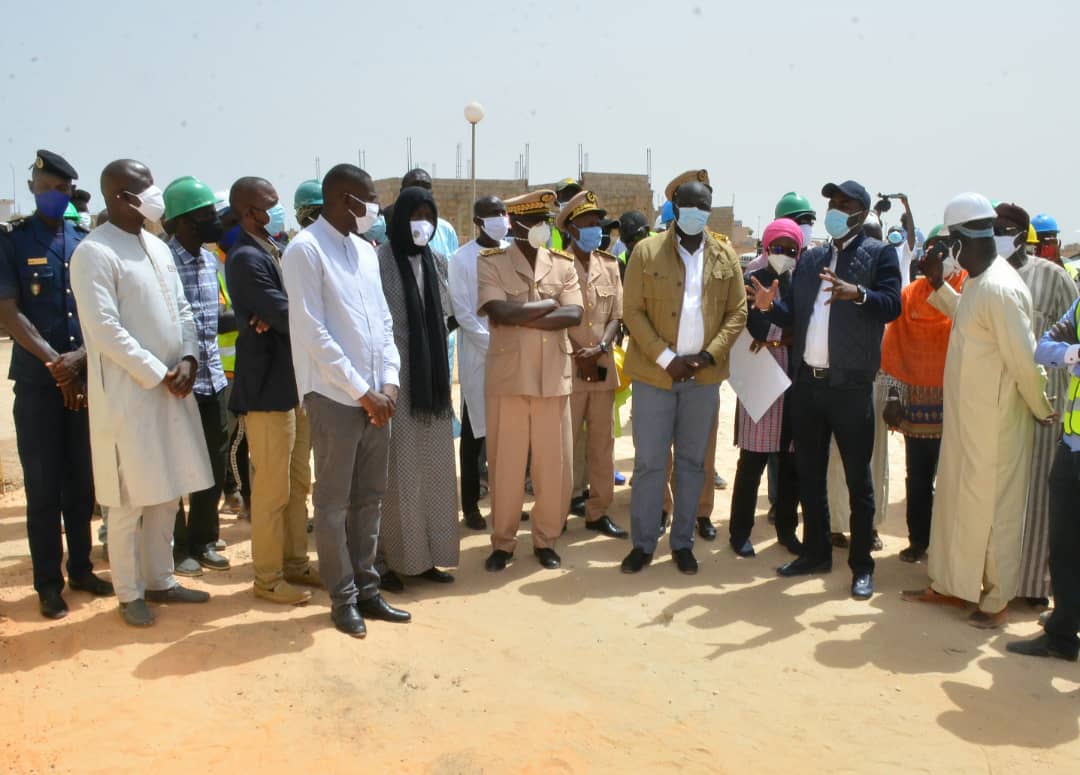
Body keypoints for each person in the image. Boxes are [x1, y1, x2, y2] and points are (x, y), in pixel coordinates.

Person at [70, 159, 213, 627]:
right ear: (119, 197)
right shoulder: (95, 253)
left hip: (173, 387)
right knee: (129, 498)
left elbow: (184, 312)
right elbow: (105, 330)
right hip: (130, 395)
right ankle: (130, 592)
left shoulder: (157, 246)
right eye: (143, 187)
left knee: (167, 492)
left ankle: (161, 579)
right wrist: (158, 373)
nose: (154, 194)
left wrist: (188, 360)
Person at [901, 193, 1055, 629]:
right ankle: (951, 586)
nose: (947, 253)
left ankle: (996, 602)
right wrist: (936, 285)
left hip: (998, 425)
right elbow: (971, 321)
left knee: (995, 513)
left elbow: (1025, 359)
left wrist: (1041, 406)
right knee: (956, 504)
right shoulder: (978, 282)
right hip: (967, 422)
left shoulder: (1002, 288)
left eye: (950, 244)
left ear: (964, 240)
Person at [749, 179, 901, 600]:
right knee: (810, 474)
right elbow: (795, 316)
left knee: (858, 479)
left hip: (850, 388)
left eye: (844, 203)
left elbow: (893, 304)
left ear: (861, 211)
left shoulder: (879, 254)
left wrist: (859, 294)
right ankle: (816, 552)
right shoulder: (813, 257)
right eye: (831, 202)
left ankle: (861, 566)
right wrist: (768, 307)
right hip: (808, 387)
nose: (834, 208)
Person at [282, 163, 410, 638]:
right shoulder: (305, 250)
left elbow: (381, 323)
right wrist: (362, 391)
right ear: (343, 200)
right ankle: (343, 599)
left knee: (370, 499)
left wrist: (390, 384)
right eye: (368, 199)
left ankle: (369, 589)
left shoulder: (365, 250)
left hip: (379, 398)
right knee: (334, 504)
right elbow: (313, 331)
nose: (374, 208)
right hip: (336, 396)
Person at [0, 149, 113, 619]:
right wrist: (56, 364)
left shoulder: (85, 242)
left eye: (62, 189)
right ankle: (48, 581)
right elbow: (8, 312)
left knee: (81, 485)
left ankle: (82, 568)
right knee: (44, 488)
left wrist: (79, 360)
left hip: (84, 380)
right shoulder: (10, 242)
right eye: (46, 188)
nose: (54, 195)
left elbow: (102, 313)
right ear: (33, 189)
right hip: (38, 383)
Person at [621, 169, 746, 575]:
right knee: (650, 463)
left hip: (702, 379)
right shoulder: (646, 252)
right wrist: (664, 357)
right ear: (676, 208)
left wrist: (709, 356)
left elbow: (737, 311)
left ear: (709, 211)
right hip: (655, 376)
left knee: (694, 463)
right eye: (689, 206)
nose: (696, 213)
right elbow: (632, 312)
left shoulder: (725, 256)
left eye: (703, 207)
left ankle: (683, 543)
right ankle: (642, 544)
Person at [477, 189, 583, 572]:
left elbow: (573, 315)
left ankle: (545, 538)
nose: (542, 227)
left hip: (554, 377)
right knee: (505, 464)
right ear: (516, 224)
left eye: (545, 219)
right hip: (509, 378)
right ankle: (503, 542)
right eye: (534, 220)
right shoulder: (491, 262)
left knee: (552, 466)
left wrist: (522, 313)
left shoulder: (563, 264)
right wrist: (546, 307)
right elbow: (497, 311)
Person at [226, 176, 319, 606]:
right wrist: (284, 314)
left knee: (299, 483)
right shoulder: (246, 258)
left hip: (294, 384)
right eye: (270, 205)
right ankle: (267, 578)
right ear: (249, 211)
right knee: (271, 491)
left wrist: (287, 313)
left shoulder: (274, 250)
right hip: (266, 391)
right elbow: (285, 315)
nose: (276, 212)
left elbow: (289, 310)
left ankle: (296, 563)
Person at [374, 186, 459, 590]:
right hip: (395, 380)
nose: (421, 223)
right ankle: (390, 560)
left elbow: (450, 314)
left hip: (434, 383)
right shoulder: (380, 261)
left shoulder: (438, 261)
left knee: (436, 471)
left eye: (429, 214)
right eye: (414, 215)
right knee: (397, 475)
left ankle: (428, 557)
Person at [995, 202, 1078, 605]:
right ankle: (995, 578)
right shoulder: (986, 277)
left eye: (1005, 227)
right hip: (1001, 402)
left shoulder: (1054, 277)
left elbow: (1068, 332)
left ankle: (1031, 587)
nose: (997, 233)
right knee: (1004, 492)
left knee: (1041, 498)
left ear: (1021, 232)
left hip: (1048, 404)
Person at [880, 225, 963, 563]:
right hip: (916, 406)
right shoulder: (910, 294)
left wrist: (940, 284)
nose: (937, 258)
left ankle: (950, 547)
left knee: (953, 481)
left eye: (943, 251)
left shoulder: (967, 291)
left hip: (957, 403)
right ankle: (919, 541)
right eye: (932, 251)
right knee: (918, 479)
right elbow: (895, 346)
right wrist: (894, 396)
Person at [162, 176, 231, 576]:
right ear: (187, 221)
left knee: (213, 464)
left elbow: (212, 319)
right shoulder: (163, 262)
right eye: (207, 215)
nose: (215, 220)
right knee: (175, 467)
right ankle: (178, 546)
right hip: (179, 384)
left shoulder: (210, 261)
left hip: (214, 380)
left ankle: (205, 538)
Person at [1007, 295, 1080, 661]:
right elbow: (1044, 348)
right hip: (1071, 448)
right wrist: (1074, 354)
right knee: (1064, 547)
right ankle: (1062, 635)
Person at [729, 218, 804, 558]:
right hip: (760, 376)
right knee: (752, 462)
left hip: (793, 383)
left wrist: (778, 328)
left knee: (790, 465)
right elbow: (755, 329)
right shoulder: (750, 279)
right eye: (778, 248)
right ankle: (739, 532)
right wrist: (777, 330)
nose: (784, 255)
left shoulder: (801, 282)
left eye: (791, 250)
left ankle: (787, 532)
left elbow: (800, 328)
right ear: (766, 247)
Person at [558, 190, 627, 539]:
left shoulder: (610, 265)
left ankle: (598, 511)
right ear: (570, 228)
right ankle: (556, 514)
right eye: (587, 224)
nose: (595, 230)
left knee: (603, 445)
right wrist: (577, 352)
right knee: (563, 448)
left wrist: (600, 347)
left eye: (597, 224)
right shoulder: (556, 265)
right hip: (567, 371)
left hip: (601, 369)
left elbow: (617, 315)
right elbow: (553, 316)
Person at [448, 196, 508, 530]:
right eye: (492, 214)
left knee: (509, 433)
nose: (500, 219)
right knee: (474, 435)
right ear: (477, 221)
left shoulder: (512, 251)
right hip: (478, 355)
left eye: (503, 213)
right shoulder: (461, 259)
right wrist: (494, 344)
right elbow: (463, 313)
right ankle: (470, 505)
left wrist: (509, 346)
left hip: (511, 356)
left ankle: (507, 501)